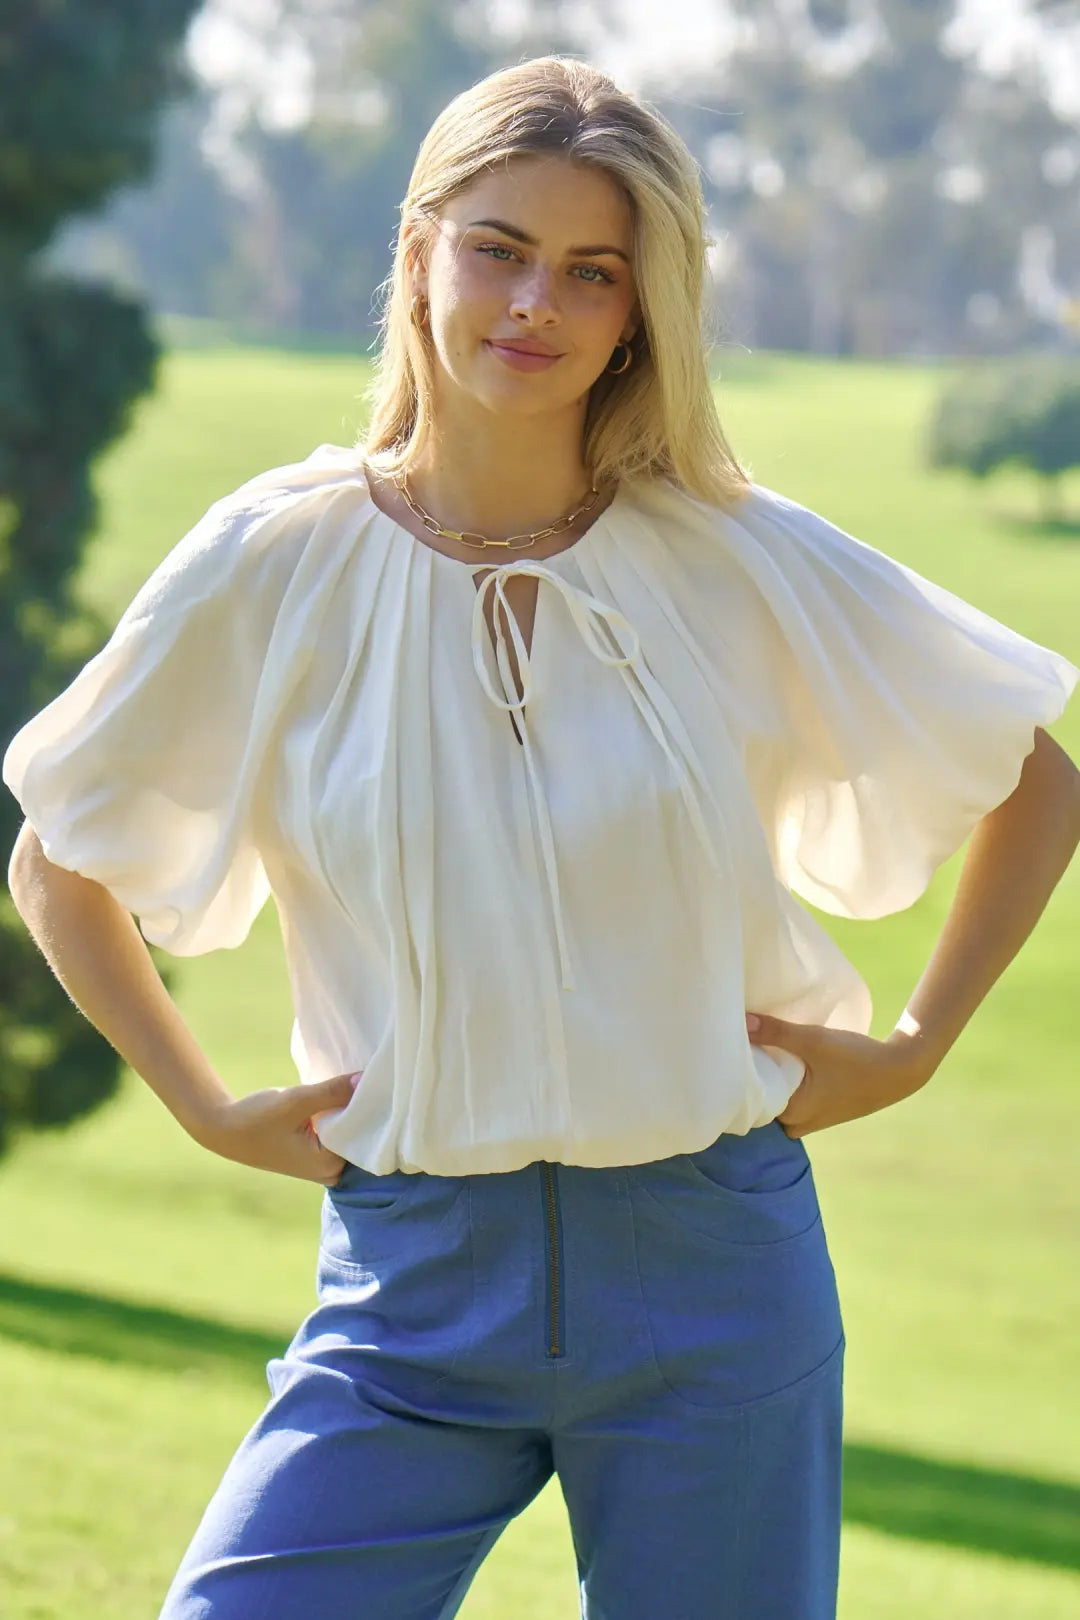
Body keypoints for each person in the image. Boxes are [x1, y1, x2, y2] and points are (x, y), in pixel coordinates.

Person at [4, 52, 1080, 1620]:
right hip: (410, 1289)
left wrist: (913, 1047)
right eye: (499, 249)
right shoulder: (275, 559)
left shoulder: (730, 553)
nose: (536, 304)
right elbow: (59, 853)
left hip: (715, 1282)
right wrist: (205, 1105)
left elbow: (1032, 776)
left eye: (593, 271)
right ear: (419, 250)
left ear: (642, 309)